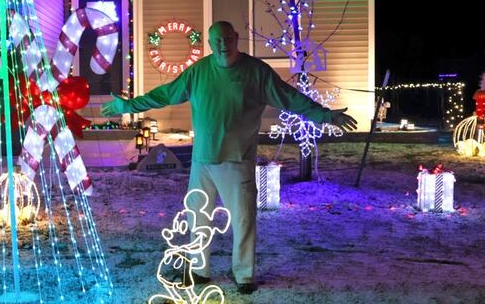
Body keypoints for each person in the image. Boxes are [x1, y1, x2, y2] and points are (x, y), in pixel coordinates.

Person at [101, 21, 357, 294]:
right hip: (202, 161)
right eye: (217, 40)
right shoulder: (198, 72)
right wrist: (128, 105)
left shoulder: (257, 73)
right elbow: (165, 94)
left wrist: (325, 115)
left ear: (236, 38)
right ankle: (200, 270)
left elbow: (290, 98)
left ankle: (244, 274)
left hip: (237, 160)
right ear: (210, 44)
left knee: (243, 219)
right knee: (197, 217)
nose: (223, 44)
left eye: (227, 38)